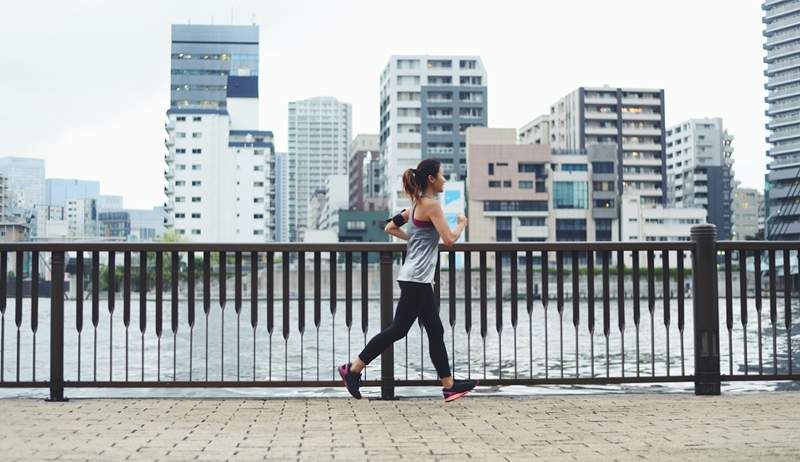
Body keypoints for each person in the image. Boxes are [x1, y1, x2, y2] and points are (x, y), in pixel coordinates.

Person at [338, 158, 478, 402]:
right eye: (442, 175)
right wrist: (462, 225)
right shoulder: (431, 205)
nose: (444, 179)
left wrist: (413, 239)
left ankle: (449, 385)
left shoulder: (413, 207)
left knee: (434, 331)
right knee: (399, 330)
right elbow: (449, 240)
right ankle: (353, 369)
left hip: (415, 278)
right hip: (416, 280)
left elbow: (390, 227)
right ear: (432, 179)